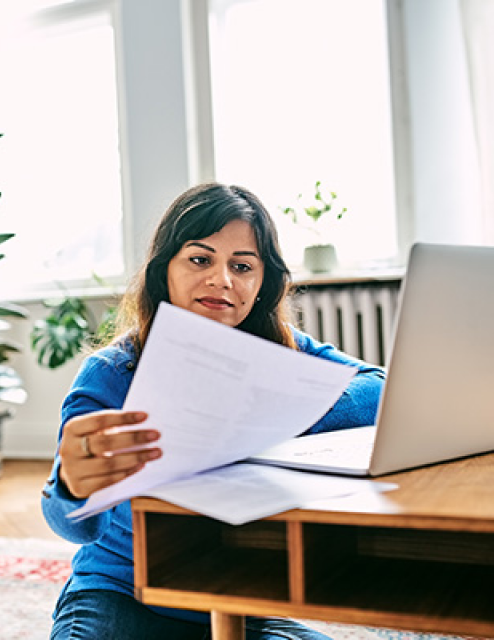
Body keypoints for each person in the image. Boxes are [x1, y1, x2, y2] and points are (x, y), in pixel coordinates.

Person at [42, 183, 385, 639]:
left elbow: (379, 388)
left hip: (241, 599)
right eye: (200, 259)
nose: (222, 280)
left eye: (242, 266)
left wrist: (274, 414)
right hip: (124, 595)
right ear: (164, 269)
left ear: (263, 283)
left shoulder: (281, 349)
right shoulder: (111, 372)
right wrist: (70, 485)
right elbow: (71, 526)